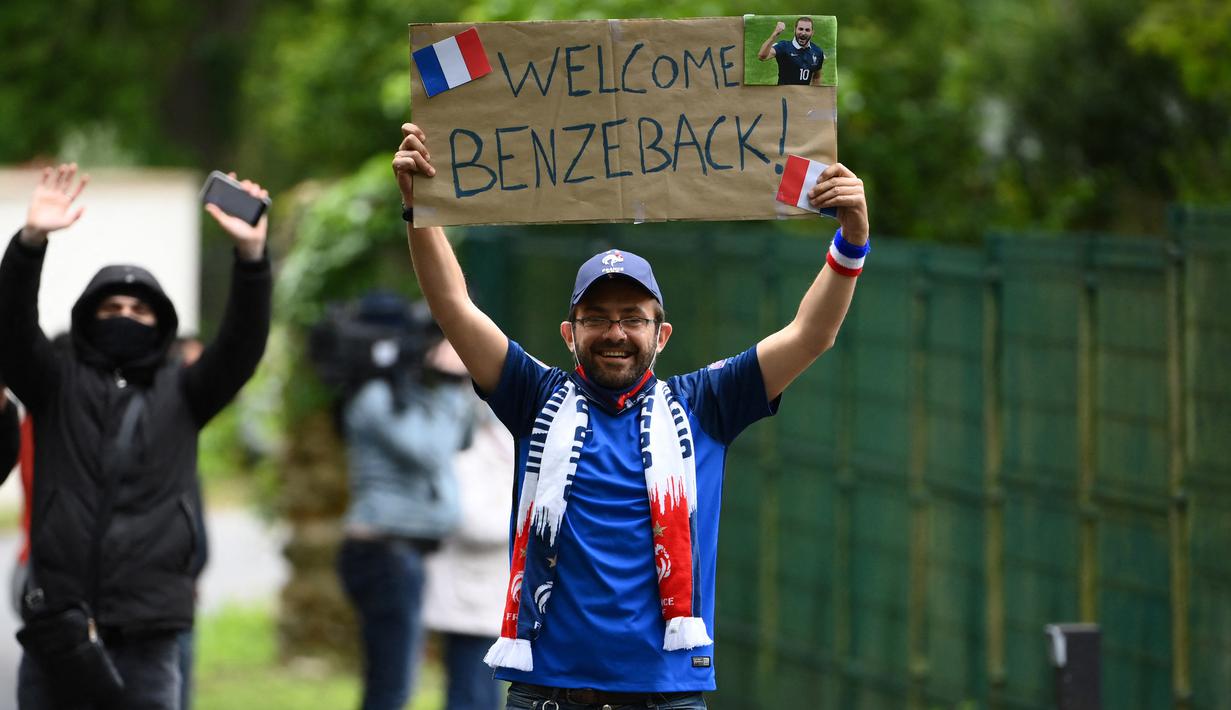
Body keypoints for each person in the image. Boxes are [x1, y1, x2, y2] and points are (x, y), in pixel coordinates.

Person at [392, 123, 869, 709]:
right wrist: (420, 208)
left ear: (660, 334)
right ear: (570, 334)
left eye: (632, 317)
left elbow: (811, 334)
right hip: (549, 691)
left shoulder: (706, 403)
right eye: (596, 317)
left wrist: (851, 241)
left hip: (665, 694)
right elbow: (453, 306)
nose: (615, 332)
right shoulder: (534, 396)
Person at [0, 163, 272, 709]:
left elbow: (241, 346)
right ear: (87, 316)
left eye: (139, 309)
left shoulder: (186, 390)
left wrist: (251, 259)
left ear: (162, 323)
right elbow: (11, 328)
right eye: (112, 307)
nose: (125, 315)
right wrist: (30, 243)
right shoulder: (53, 381)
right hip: (59, 627)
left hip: (151, 633)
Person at [335, 294, 476, 710]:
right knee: (392, 685)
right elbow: (433, 450)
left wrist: (459, 381)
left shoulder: (405, 392)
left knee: (394, 680)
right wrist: (450, 388)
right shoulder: (373, 397)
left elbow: (461, 439)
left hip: (400, 554)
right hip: (383, 553)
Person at [423, 398, 515, 710]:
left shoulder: (506, 442)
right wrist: (525, 521)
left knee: (488, 694)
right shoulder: (465, 452)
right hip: (467, 600)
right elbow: (470, 522)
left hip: (494, 601)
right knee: (467, 693)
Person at [757, 17, 824, 86]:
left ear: (812, 33)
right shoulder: (783, 46)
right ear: (795, 30)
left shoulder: (817, 52)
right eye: (800, 29)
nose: (803, 33)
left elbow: (816, 77)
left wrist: (815, 95)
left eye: (807, 30)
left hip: (803, 95)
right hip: (784, 94)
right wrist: (775, 33)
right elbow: (762, 56)